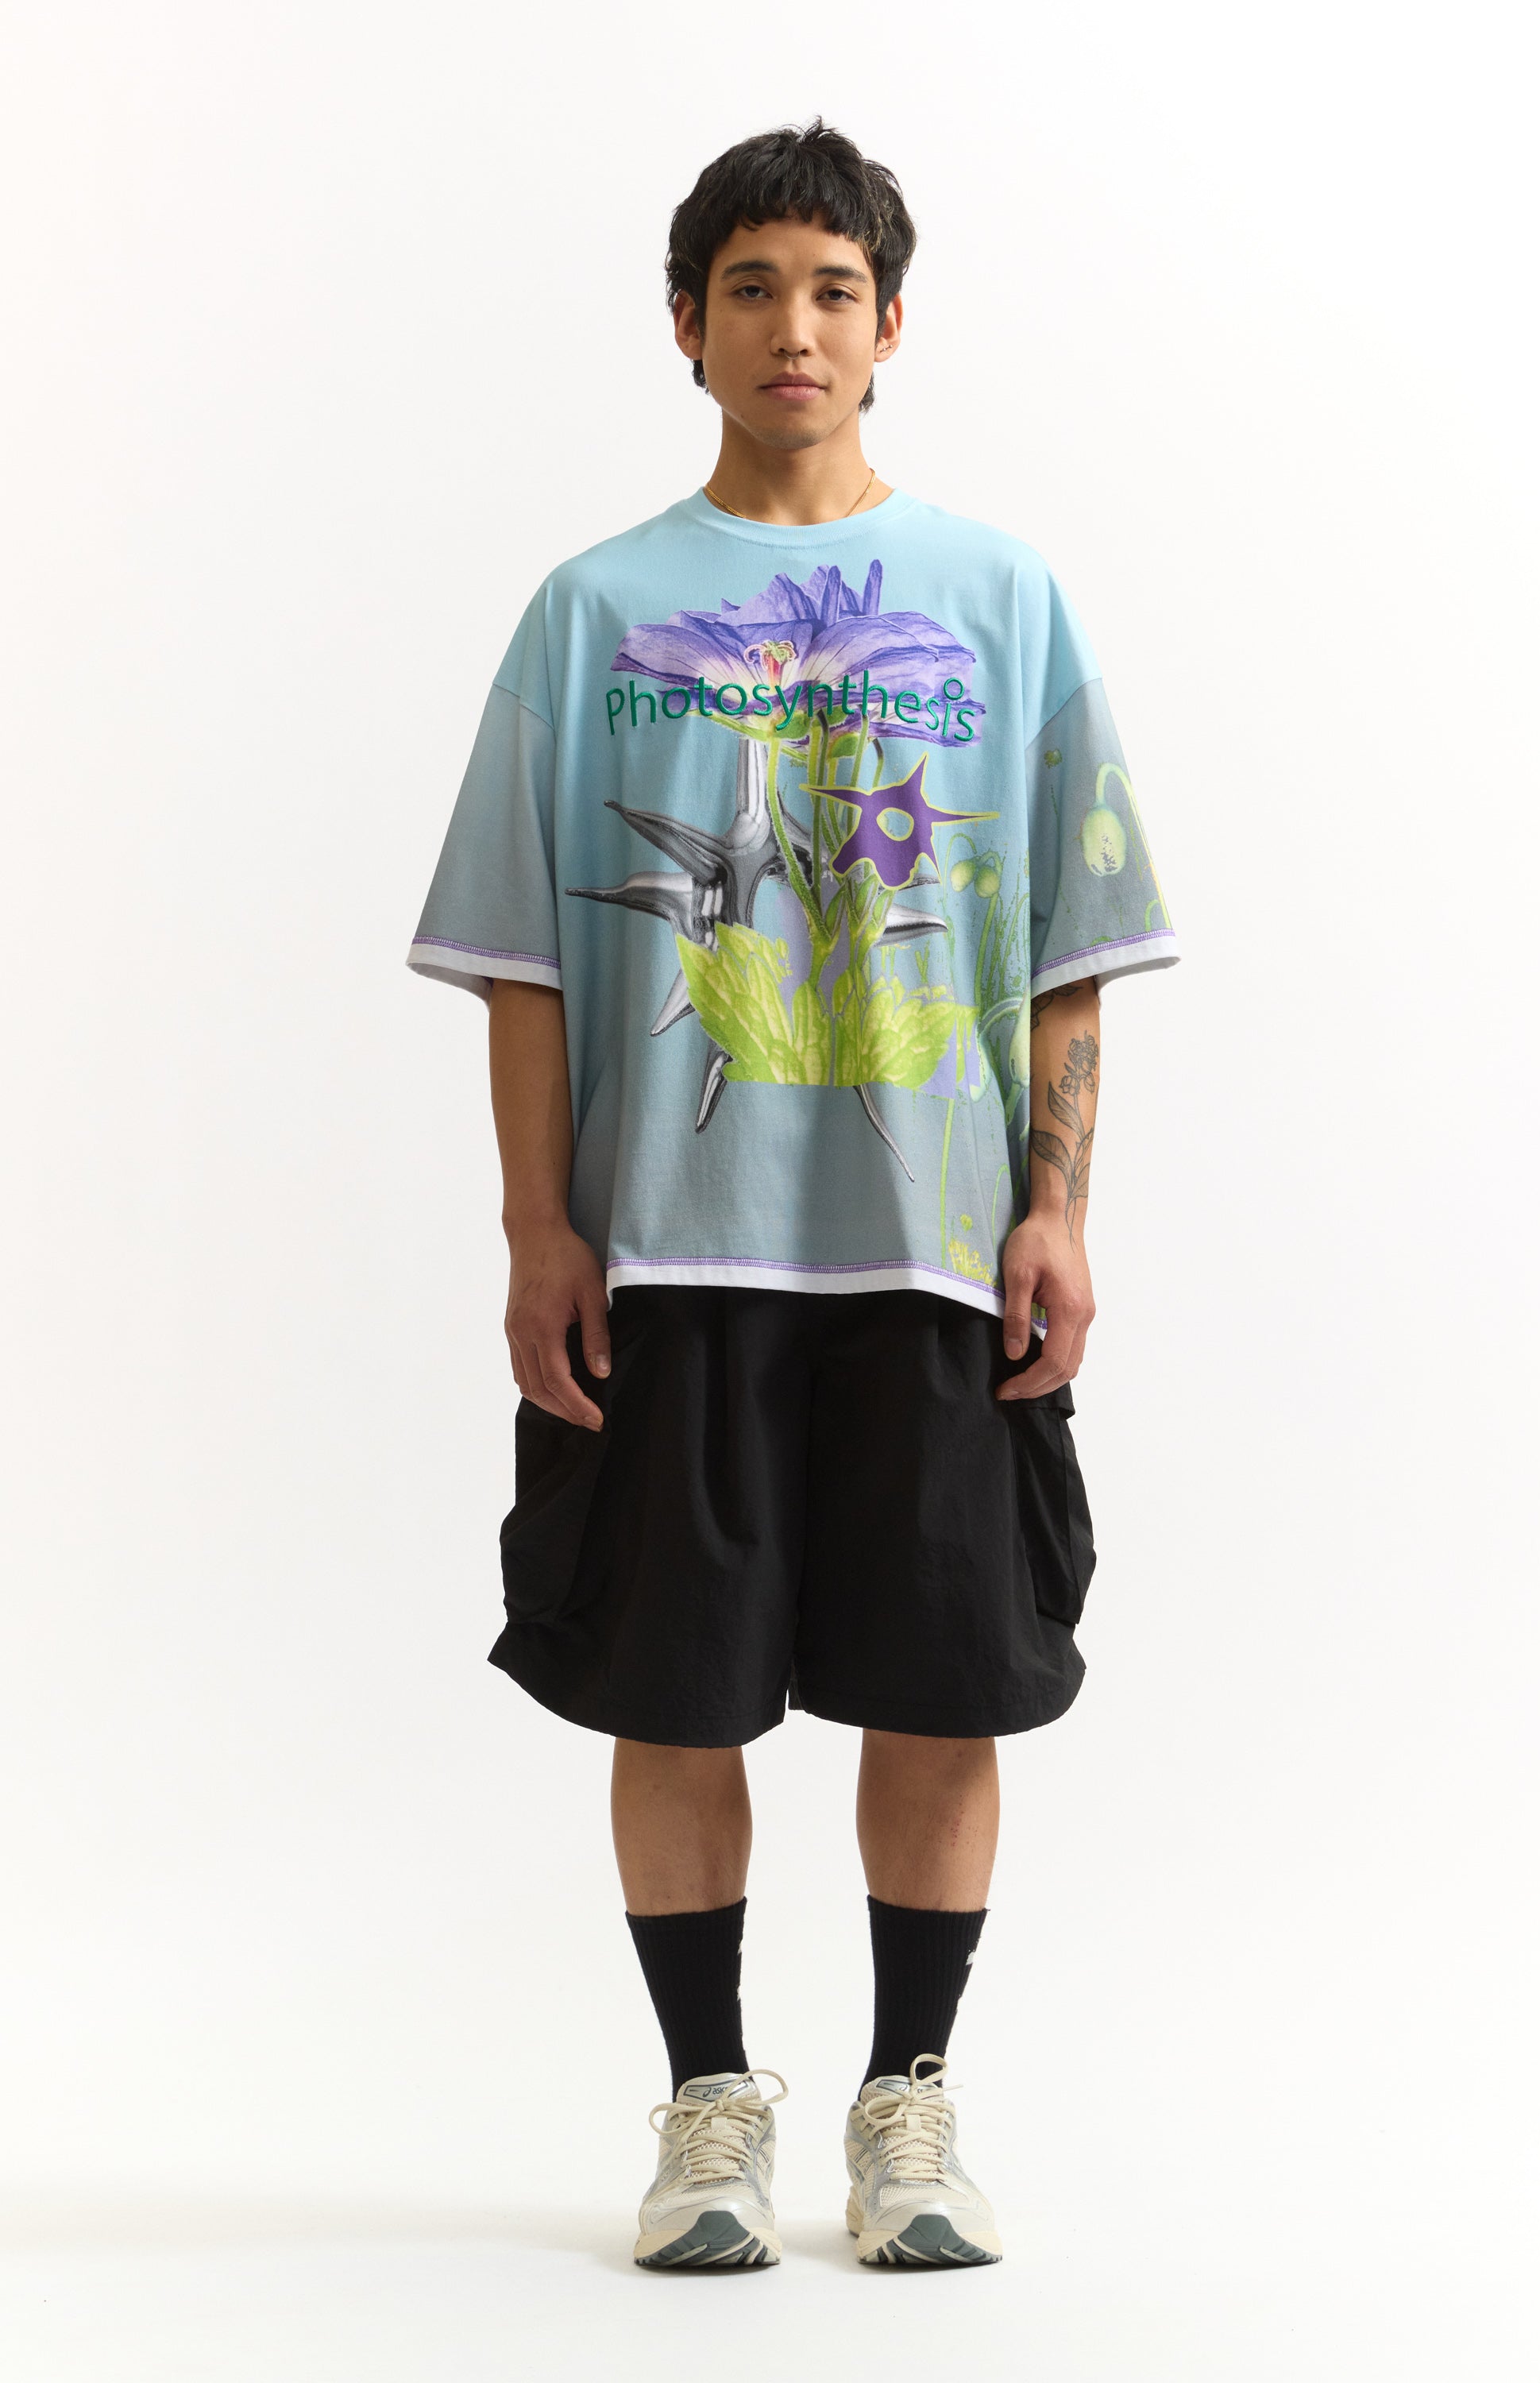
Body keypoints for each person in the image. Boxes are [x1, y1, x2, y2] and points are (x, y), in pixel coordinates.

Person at [407, 118, 1178, 2271]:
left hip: (934, 1247)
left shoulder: (1003, 599)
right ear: (687, 323)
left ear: (892, 323)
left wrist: (1059, 1204)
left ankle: (908, 2106)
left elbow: (1072, 943)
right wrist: (537, 1229)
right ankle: (709, 2111)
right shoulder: (593, 609)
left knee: (947, 1675)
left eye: (835, 288)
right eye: (750, 286)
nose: (795, 326)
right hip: (669, 1244)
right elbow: (528, 955)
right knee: (675, 1681)